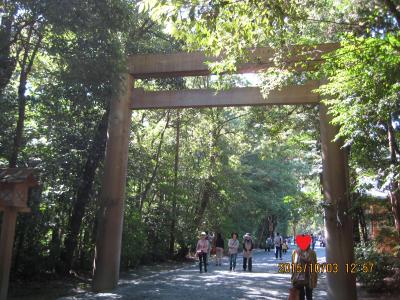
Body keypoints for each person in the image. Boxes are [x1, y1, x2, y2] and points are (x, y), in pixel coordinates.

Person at [291, 234, 318, 300]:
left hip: (299, 277)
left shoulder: (295, 252)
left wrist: (293, 278)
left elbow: (293, 266)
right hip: (309, 276)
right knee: (309, 295)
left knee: (301, 296)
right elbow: (314, 265)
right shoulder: (312, 253)